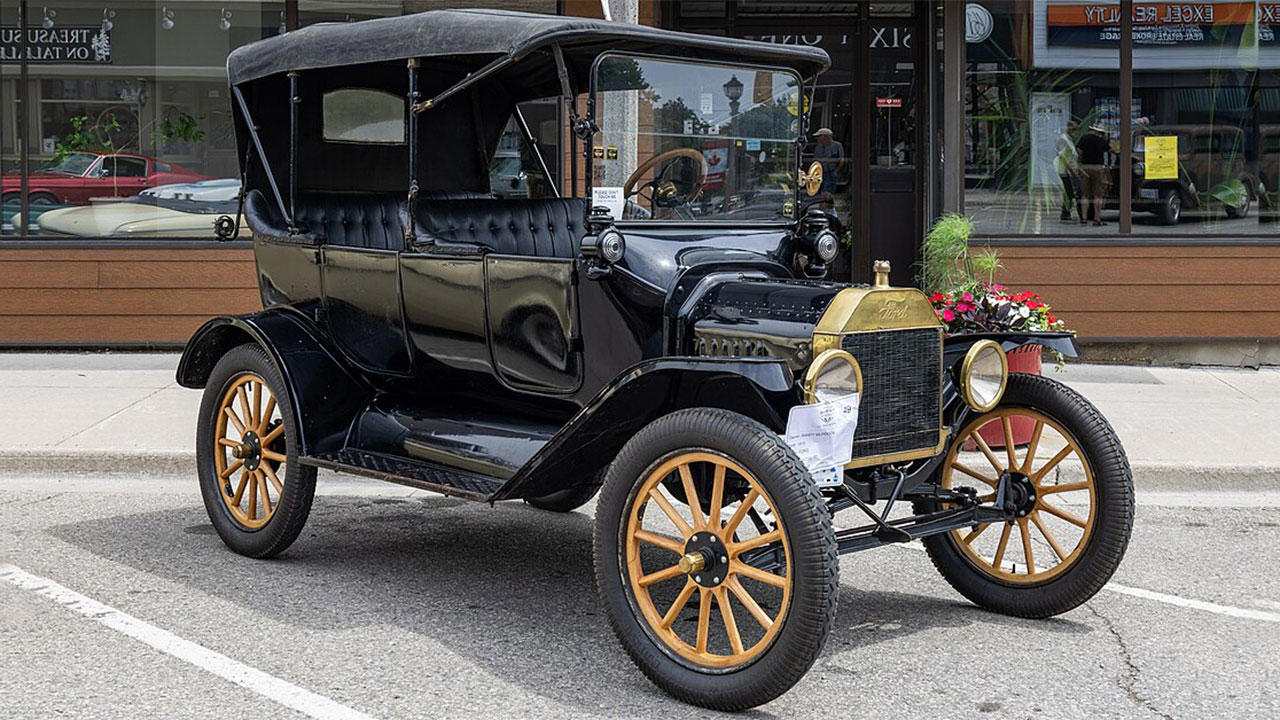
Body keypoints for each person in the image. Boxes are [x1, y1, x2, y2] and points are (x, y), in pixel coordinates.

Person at [1076, 123, 1111, 226]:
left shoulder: (1084, 138)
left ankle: (1084, 219)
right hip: (1098, 168)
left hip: (1085, 167)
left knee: (1085, 195)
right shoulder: (1102, 141)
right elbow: (1111, 150)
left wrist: (1080, 161)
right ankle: (1096, 219)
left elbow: (1078, 150)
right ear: (1101, 132)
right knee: (1098, 195)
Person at [812, 127, 845, 210]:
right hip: (820, 173)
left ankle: (824, 209)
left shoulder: (837, 145)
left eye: (820, 136)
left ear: (826, 137)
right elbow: (815, 161)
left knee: (827, 193)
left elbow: (841, 160)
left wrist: (836, 171)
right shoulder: (818, 148)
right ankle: (827, 209)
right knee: (822, 193)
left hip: (831, 172)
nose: (818, 139)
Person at [1055, 123, 1081, 222]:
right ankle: (1065, 212)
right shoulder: (1064, 139)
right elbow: (1063, 157)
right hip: (1066, 171)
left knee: (1069, 191)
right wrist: (1071, 171)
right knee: (1069, 191)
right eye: (1074, 129)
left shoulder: (1068, 139)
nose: (1075, 132)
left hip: (1070, 170)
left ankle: (1066, 211)